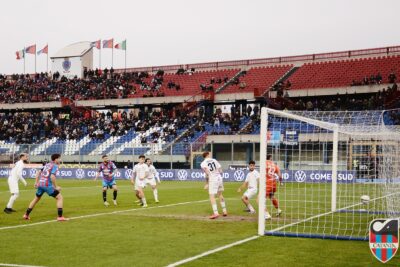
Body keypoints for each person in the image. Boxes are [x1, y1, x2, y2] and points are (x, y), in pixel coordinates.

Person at [23, 154, 68, 221]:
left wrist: (36, 182)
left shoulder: (47, 164)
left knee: (36, 199)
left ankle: (26, 215)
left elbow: (38, 173)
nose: (60, 160)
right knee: (59, 198)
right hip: (47, 185)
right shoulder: (55, 166)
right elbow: (52, 177)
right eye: (59, 158)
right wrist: (56, 187)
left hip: (41, 184)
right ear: (56, 159)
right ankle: (60, 217)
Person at [201, 151, 227, 219]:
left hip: (213, 179)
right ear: (208, 155)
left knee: (211, 196)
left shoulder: (203, 163)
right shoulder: (214, 160)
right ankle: (224, 211)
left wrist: (207, 183)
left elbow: (207, 173)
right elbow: (221, 170)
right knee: (220, 194)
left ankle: (216, 213)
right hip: (219, 178)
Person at [265, 154, 282, 220]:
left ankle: (266, 215)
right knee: (271, 196)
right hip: (273, 183)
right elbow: (280, 175)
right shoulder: (274, 165)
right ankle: (278, 210)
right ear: (270, 158)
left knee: (260, 199)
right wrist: (281, 182)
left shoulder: (264, 163)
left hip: (267, 183)